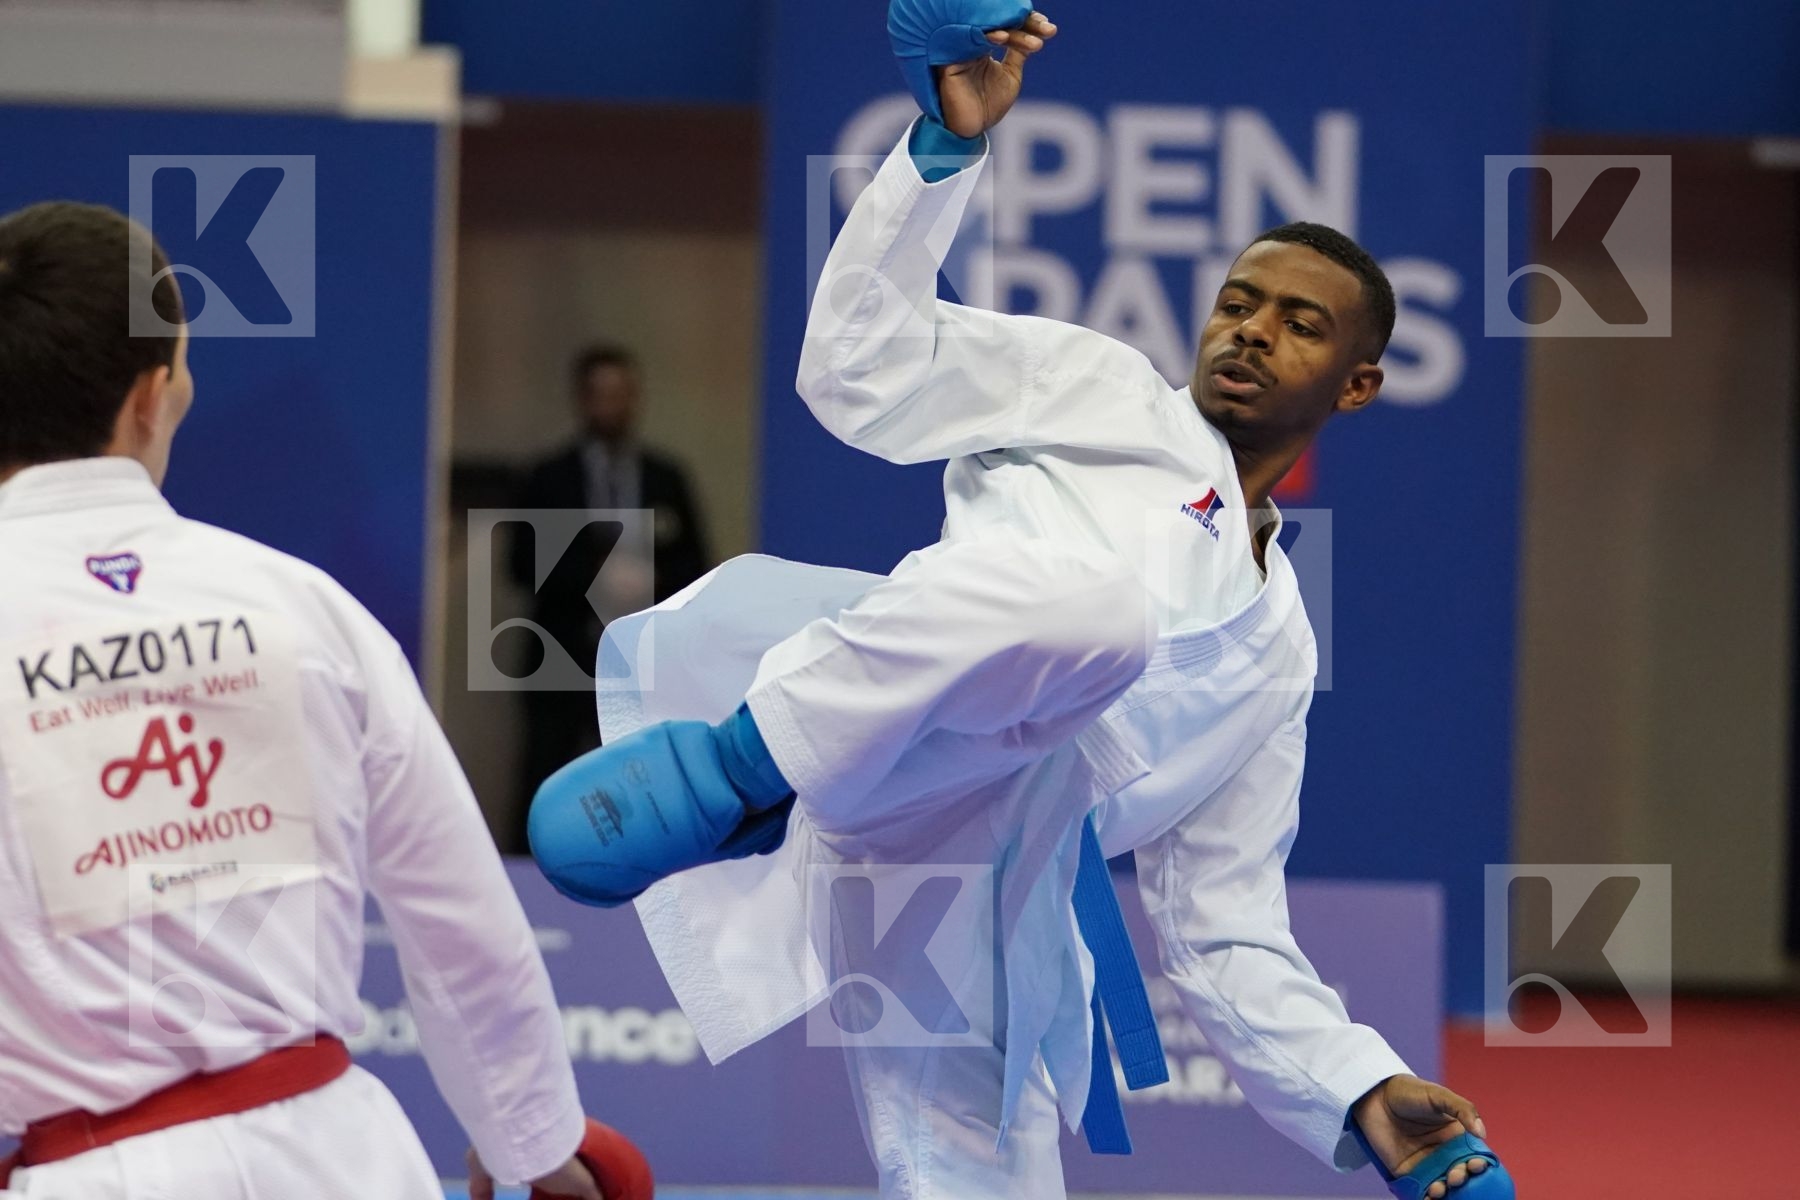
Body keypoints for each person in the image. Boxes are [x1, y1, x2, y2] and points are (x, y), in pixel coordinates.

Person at [528, 8, 1512, 1200]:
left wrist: (1363, 1088)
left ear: (1358, 384)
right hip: (877, 730)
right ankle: (734, 773)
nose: (1251, 328)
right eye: (1239, 301)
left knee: (978, 1184)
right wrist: (942, 153)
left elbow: (1223, 922)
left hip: (984, 888)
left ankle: (764, 775)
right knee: (1098, 616)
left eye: (1299, 324)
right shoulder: (1097, 389)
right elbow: (860, 372)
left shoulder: (1280, 650)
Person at [0, 201, 612, 1199]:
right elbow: (458, 919)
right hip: (342, 1164)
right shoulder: (302, 608)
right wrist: (536, 1151)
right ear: (152, 399)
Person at [510, 344, 710, 837]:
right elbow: (520, 564)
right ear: (581, 399)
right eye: (601, 395)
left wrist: (648, 579)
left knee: (642, 787)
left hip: (641, 660)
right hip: (561, 656)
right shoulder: (548, 477)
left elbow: (698, 565)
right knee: (544, 782)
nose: (612, 406)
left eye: (622, 394)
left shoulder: (667, 476)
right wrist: (595, 574)